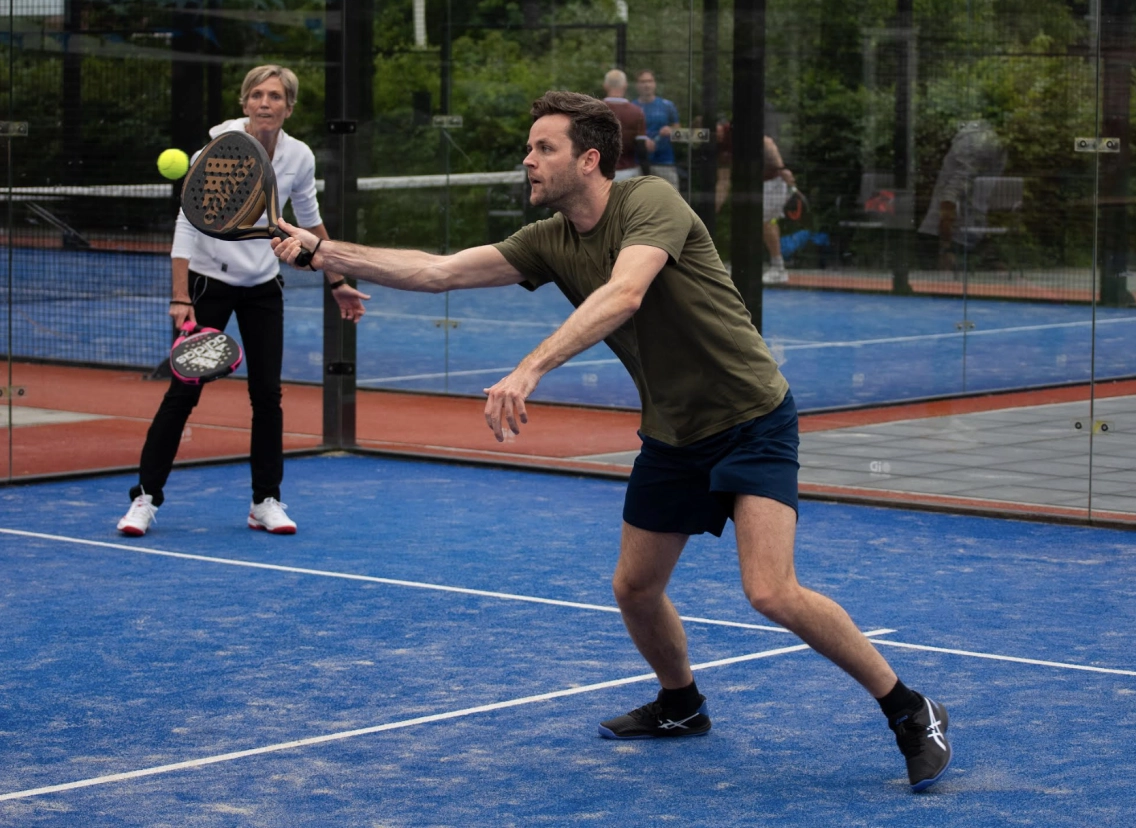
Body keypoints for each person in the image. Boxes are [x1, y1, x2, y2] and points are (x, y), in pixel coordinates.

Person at [271, 90, 952, 793]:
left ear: (589, 159)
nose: (527, 160)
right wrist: (325, 251)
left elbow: (625, 294)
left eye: (543, 148)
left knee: (770, 591)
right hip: (673, 432)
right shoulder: (546, 241)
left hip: (750, 415)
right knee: (634, 587)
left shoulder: (649, 201)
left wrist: (530, 368)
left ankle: (909, 709)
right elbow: (438, 270)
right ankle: (682, 705)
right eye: (529, 148)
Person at [116, 64, 369, 537]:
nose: (265, 103)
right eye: (257, 95)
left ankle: (265, 501)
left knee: (267, 396)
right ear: (244, 103)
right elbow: (187, 222)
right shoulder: (215, 151)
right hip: (208, 285)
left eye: (275, 96)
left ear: (289, 108)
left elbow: (310, 225)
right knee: (182, 393)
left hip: (262, 288)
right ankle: (145, 500)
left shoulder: (298, 156)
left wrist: (337, 280)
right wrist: (180, 296)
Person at [715, 121, 798, 283]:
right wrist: (714, 207)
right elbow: (724, 181)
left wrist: (782, 170)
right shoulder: (718, 147)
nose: (714, 136)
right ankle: (741, 265)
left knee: (765, 222)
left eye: (714, 131)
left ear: (717, 127)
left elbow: (767, 142)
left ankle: (778, 268)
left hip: (772, 181)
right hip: (750, 185)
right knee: (744, 222)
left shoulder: (733, 129)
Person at [918, 119, 1007, 272]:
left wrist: (946, 247)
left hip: (957, 226)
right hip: (965, 223)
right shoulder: (989, 142)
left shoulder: (973, 142)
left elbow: (955, 188)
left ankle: (950, 257)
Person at [601, 69, 654, 182]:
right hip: (628, 172)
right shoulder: (637, 112)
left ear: (605, 86)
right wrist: (647, 175)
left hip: (601, 172)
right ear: (625, 86)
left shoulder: (595, 110)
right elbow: (641, 148)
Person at [633, 69, 681, 189]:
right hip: (639, 163)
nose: (646, 85)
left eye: (650, 81)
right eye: (643, 81)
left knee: (671, 202)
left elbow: (678, 131)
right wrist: (642, 141)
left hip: (665, 162)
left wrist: (670, 130)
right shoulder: (632, 107)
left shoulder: (667, 105)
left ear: (655, 84)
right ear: (637, 85)